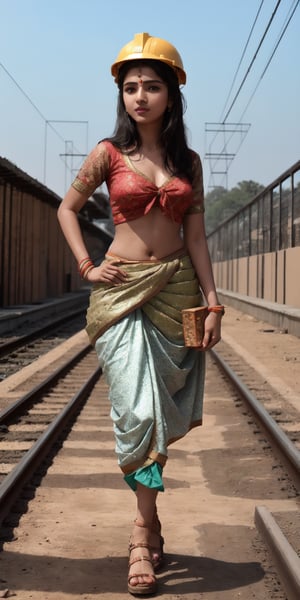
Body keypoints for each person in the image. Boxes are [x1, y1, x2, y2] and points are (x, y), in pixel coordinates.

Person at [57, 32, 224, 596]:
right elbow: (67, 208)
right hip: (120, 289)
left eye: (152, 86)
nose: (140, 96)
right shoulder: (108, 153)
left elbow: (196, 235)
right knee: (138, 408)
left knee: (156, 412)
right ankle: (141, 531)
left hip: (176, 291)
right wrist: (86, 265)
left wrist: (213, 300)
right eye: (130, 87)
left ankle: (147, 521)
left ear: (172, 94)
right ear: (121, 95)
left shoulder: (189, 162)